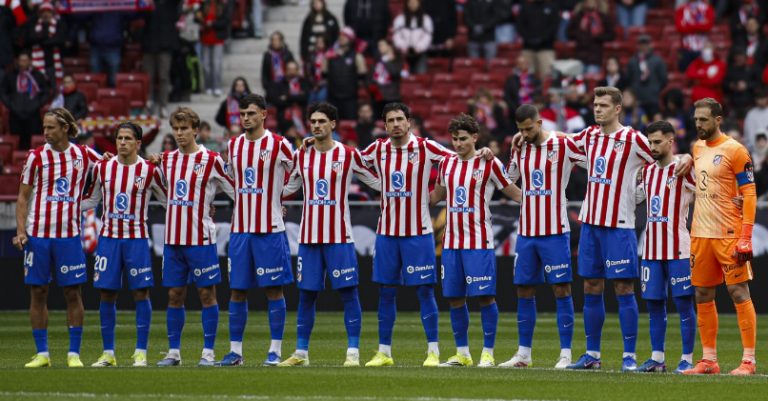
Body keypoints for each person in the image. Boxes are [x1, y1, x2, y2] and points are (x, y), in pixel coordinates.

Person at [510, 87, 693, 371]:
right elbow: (559, 139)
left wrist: (686, 157)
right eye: (595, 104)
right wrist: (526, 134)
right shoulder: (589, 136)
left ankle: (629, 356)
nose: (597, 109)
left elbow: (662, 153)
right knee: (590, 286)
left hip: (619, 225)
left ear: (617, 109)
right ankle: (592, 354)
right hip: (590, 224)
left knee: (623, 287)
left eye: (604, 105)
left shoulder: (632, 138)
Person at [356, 103, 493, 367]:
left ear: (409, 122)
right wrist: (379, 184)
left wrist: (481, 153)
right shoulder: (378, 149)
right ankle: (384, 352)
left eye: (400, 119)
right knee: (386, 291)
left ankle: (433, 352)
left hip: (418, 232)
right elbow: (351, 163)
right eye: (390, 120)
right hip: (386, 233)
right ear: (384, 125)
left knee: (425, 292)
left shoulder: (425, 147)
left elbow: (458, 157)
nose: (396, 124)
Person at [278, 101, 380, 367]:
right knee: (306, 295)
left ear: (333, 124)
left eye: (322, 121)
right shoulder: (302, 155)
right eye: (313, 121)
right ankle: (301, 353)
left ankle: (353, 353)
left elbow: (377, 182)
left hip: (339, 237)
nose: (316, 125)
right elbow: (287, 188)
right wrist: (273, 199)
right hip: (309, 237)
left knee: (348, 293)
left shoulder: (348, 154)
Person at [428, 113, 522, 367]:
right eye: (454, 139)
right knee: (454, 298)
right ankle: (463, 354)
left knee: (485, 297)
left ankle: (488, 353)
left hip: (478, 242)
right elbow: (436, 195)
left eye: (463, 139)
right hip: (451, 243)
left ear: (475, 138)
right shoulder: (446, 164)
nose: (458, 143)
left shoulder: (489, 163)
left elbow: (514, 193)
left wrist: (543, 202)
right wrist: (405, 200)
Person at [14, 108, 102, 368]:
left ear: (65, 128)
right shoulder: (35, 157)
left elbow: (113, 166)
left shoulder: (84, 154)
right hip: (38, 235)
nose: (45, 132)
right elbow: (23, 198)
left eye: (50, 127)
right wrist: (20, 231)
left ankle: (74, 354)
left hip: (69, 235)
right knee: (38, 291)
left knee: (73, 293)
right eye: (44, 127)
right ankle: (43, 353)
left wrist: (152, 161)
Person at [499, 104, 585, 369]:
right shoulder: (520, 147)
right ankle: (523, 354)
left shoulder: (563, 144)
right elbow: (507, 179)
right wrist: (512, 151)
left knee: (561, 289)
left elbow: (592, 157)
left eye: (528, 129)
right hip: (527, 232)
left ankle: (565, 354)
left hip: (555, 231)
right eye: (521, 130)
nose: (525, 134)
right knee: (524, 289)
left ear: (539, 123)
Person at [214, 94, 294, 367]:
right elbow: (227, 180)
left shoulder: (279, 144)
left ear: (263, 115)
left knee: (273, 290)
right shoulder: (234, 145)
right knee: (237, 291)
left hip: (269, 229)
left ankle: (275, 351)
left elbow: (299, 174)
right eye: (242, 114)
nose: (245, 118)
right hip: (240, 230)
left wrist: (278, 199)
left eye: (250, 113)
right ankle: (235, 352)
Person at [80, 122, 167, 368]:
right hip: (108, 239)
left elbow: (169, 200)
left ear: (138, 143)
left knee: (141, 293)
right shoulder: (102, 167)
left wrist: (201, 207)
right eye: (119, 138)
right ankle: (108, 353)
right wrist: (63, 206)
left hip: (136, 239)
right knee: (107, 293)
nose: (122, 142)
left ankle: (141, 352)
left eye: (128, 138)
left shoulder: (149, 170)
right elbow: (91, 200)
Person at [153, 107, 235, 367]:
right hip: (173, 240)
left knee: (207, 294)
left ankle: (208, 353)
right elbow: (161, 191)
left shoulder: (211, 159)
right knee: (174, 294)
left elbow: (234, 189)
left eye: (184, 128)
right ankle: (173, 353)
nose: (179, 133)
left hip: (201, 239)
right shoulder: (166, 159)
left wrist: (208, 201)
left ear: (196, 130)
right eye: (176, 128)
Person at [684, 98, 758, 375]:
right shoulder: (697, 147)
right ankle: (708, 361)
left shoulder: (736, 150)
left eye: (703, 119)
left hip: (729, 234)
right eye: (696, 119)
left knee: (738, 292)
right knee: (702, 294)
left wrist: (745, 236)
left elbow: (750, 193)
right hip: (700, 234)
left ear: (718, 120)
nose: (698, 124)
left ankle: (748, 361)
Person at [633, 120, 697, 374]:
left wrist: (690, 157)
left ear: (670, 142)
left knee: (683, 303)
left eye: (657, 142)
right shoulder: (648, 172)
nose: (652, 147)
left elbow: (706, 187)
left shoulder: (684, 168)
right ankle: (657, 358)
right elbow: (634, 198)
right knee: (654, 305)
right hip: (650, 250)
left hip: (678, 249)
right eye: (650, 142)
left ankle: (687, 359)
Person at [0, 52, 50, 149]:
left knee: (33, 144)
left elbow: (46, 92)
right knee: (17, 144)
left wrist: (38, 104)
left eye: (24, 61)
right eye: (20, 61)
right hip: (15, 115)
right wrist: (10, 104)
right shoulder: (10, 75)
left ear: (30, 61)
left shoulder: (38, 75)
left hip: (33, 115)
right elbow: (3, 92)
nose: (21, 63)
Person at [142, 0, 182, 118]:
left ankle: (163, 106)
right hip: (149, 45)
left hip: (165, 46)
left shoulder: (170, 3)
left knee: (164, 77)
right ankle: (148, 104)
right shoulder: (148, 3)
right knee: (147, 77)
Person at [322, 27, 367, 121]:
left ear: (350, 39)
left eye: (345, 36)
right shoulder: (329, 55)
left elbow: (362, 76)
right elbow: (324, 74)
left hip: (350, 98)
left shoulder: (357, 56)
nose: (341, 38)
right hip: (333, 97)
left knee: (350, 123)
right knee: (333, 123)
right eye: (340, 36)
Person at [566, 0, 615, 75]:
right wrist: (580, 35)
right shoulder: (579, 17)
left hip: (595, 57)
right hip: (580, 56)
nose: (590, 4)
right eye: (588, 2)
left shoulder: (602, 17)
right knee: (578, 80)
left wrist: (597, 37)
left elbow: (611, 35)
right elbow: (569, 32)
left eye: (592, 2)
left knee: (591, 79)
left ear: (596, 3)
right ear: (584, 4)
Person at [197, 0, 234, 96]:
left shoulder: (223, 5)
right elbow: (197, 18)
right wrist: (198, 17)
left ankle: (217, 86)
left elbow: (226, 21)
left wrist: (213, 23)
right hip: (205, 39)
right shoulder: (204, 5)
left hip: (218, 39)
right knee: (205, 65)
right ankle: (208, 86)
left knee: (216, 64)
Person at [24, 1, 65, 89]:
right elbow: (30, 38)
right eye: (43, 12)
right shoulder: (34, 24)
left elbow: (60, 40)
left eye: (48, 12)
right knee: (38, 88)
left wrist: (40, 40)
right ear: (40, 14)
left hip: (53, 65)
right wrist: (47, 37)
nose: (46, 14)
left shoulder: (59, 24)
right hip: (36, 65)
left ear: (53, 13)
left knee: (55, 88)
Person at [625, 35, 667, 117]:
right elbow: (627, 79)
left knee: (654, 122)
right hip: (636, 99)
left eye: (645, 43)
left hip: (652, 99)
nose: (643, 46)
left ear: (650, 45)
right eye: (641, 43)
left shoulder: (657, 61)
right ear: (638, 45)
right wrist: (634, 89)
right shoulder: (632, 61)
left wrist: (655, 89)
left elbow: (664, 79)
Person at [517, 0, 559, 77]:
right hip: (528, 48)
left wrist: (542, 39)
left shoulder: (552, 7)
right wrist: (529, 38)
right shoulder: (526, 7)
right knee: (527, 78)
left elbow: (554, 26)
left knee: (547, 77)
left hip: (546, 48)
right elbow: (520, 26)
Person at [368, 39, 407, 119]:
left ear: (389, 46)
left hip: (392, 97)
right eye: (378, 46)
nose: (379, 48)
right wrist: (371, 87)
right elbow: (370, 77)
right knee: (379, 120)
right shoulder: (377, 61)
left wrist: (386, 61)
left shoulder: (397, 60)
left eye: (381, 45)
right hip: (378, 97)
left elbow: (394, 73)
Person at [392, 0, 433, 75]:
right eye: (410, 2)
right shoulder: (400, 19)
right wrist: (404, 47)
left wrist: (418, 48)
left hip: (419, 54)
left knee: (420, 76)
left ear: (419, 4)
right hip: (403, 54)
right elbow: (396, 36)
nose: (412, 4)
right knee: (402, 76)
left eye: (415, 2)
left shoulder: (426, 19)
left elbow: (427, 37)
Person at [273, 61, 310, 137]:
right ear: (286, 71)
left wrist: (287, 97)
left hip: (301, 114)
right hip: (285, 117)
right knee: (290, 132)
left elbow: (304, 98)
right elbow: (277, 101)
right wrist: (297, 98)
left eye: (294, 69)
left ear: (297, 70)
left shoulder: (303, 82)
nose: (292, 72)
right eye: (289, 69)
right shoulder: (280, 83)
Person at [676, 0, 714, 72]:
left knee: (701, 72)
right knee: (684, 72)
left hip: (701, 49)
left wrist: (688, 25)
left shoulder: (707, 9)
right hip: (686, 48)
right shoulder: (682, 9)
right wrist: (699, 26)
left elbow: (707, 27)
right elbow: (680, 28)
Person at [464, 0, 503, 66]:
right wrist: (473, 27)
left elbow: (497, 16)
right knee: (474, 66)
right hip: (473, 38)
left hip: (489, 37)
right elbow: (465, 17)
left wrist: (484, 27)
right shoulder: (470, 1)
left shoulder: (494, 2)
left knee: (490, 65)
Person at [725, 47, 759, 120]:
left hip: (748, 103)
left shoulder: (752, 68)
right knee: (732, 124)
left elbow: (758, 83)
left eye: (740, 59)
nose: (738, 62)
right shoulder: (732, 69)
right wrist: (731, 85)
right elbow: (725, 83)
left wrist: (747, 85)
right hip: (734, 103)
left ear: (745, 58)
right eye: (736, 60)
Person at [262, 31, 296, 104]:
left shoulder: (287, 54)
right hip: (272, 86)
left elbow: (293, 70)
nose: (275, 42)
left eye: (277, 40)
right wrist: (267, 86)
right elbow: (264, 73)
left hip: (285, 85)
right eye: (273, 40)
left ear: (281, 41)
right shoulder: (267, 55)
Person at [306, 34, 329, 104]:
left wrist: (320, 84)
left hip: (325, 83)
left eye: (321, 42)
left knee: (321, 98)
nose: (319, 44)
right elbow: (308, 70)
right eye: (317, 42)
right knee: (311, 99)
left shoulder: (329, 54)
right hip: (313, 83)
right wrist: (314, 85)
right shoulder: (312, 54)